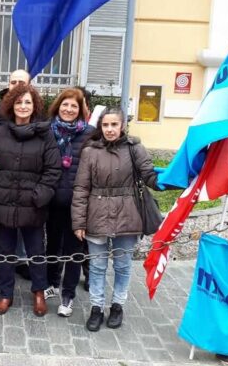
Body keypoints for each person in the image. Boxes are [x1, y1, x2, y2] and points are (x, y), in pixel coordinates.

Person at [71, 107, 159, 332]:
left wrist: (176, 178)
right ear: (100, 127)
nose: (109, 129)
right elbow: (81, 187)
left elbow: (149, 175)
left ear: (122, 126)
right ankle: (96, 307)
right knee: (97, 266)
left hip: (127, 215)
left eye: (114, 125)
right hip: (96, 215)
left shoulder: (134, 148)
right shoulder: (90, 151)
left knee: (122, 265)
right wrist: (79, 222)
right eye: (105, 125)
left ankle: (118, 305)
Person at [0, 85, 61, 317]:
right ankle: (5, 294)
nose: (23, 106)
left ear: (34, 105)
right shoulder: (0, 132)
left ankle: (39, 292)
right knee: (5, 251)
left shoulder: (45, 134)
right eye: (18, 102)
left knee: (36, 251)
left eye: (27, 102)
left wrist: (39, 196)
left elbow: (53, 170)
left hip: (33, 204)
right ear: (11, 106)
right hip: (4, 202)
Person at [43, 88, 93, 318]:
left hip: (78, 202)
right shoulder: (47, 130)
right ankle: (52, 282)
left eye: (74, 106)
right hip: (52, 200)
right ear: (58, 106)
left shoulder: (91, 134)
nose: (69, 109)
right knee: (52, 244)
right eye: (65, 105)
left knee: (75, 249)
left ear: (81, 110)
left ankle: (68, 295)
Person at [0, 68, 34, 281]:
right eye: (13, 82)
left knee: (24, 222)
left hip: (26, 177)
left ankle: (21, 261)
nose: (16, 86)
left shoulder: (35, 111)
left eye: (21, 82)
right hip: (1, 174)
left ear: (29, 85)